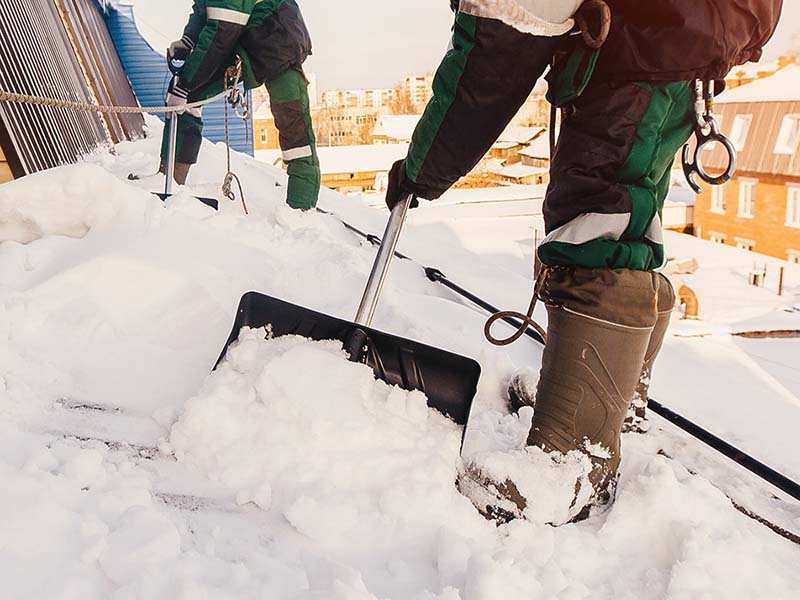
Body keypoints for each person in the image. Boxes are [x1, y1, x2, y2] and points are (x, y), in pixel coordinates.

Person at [386, 0, 782, 523]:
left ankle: (572, 462)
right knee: (629, 217)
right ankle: (613, 404)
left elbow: (489, 62)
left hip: (647, 47)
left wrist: (421, 171)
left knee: (594, 222)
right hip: (676, 36)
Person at [162, 0, 320, 210]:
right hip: (258, 41)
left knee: (296, 137)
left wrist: (186, 82)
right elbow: (205, 8)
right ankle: (169, 181)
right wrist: (188, 40)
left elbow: (222, 31)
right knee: (189, 98)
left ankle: (301, 211)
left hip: (275, 43)